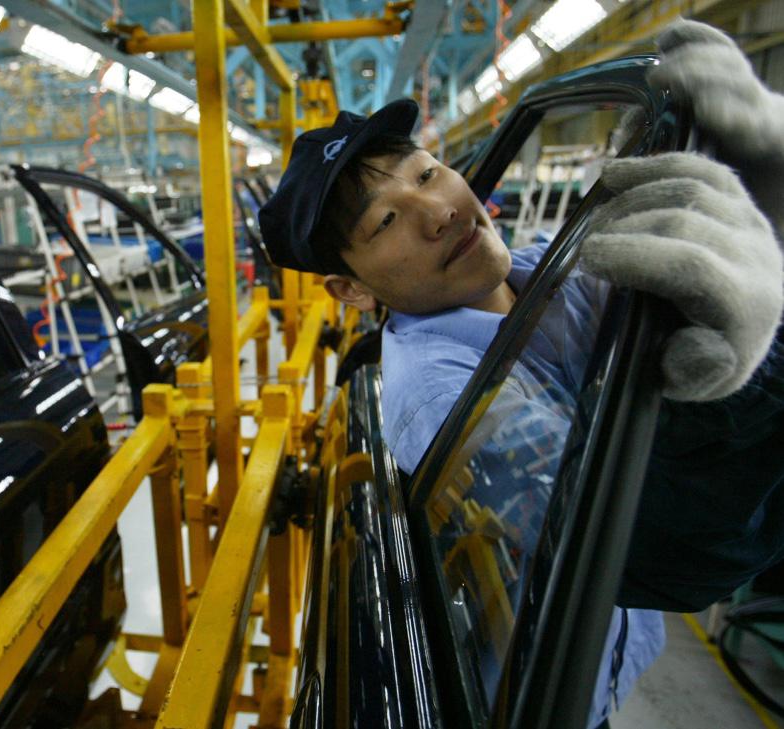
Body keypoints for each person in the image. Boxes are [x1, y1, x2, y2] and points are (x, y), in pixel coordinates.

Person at [259, 19, 784, 728]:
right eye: (385, 221)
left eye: (427, 173)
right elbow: (652, 551)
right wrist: (752, 374)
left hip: (620, 651)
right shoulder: (439, 395)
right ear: (351, 290)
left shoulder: (545, 268)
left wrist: (759, 191)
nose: (440, 210)